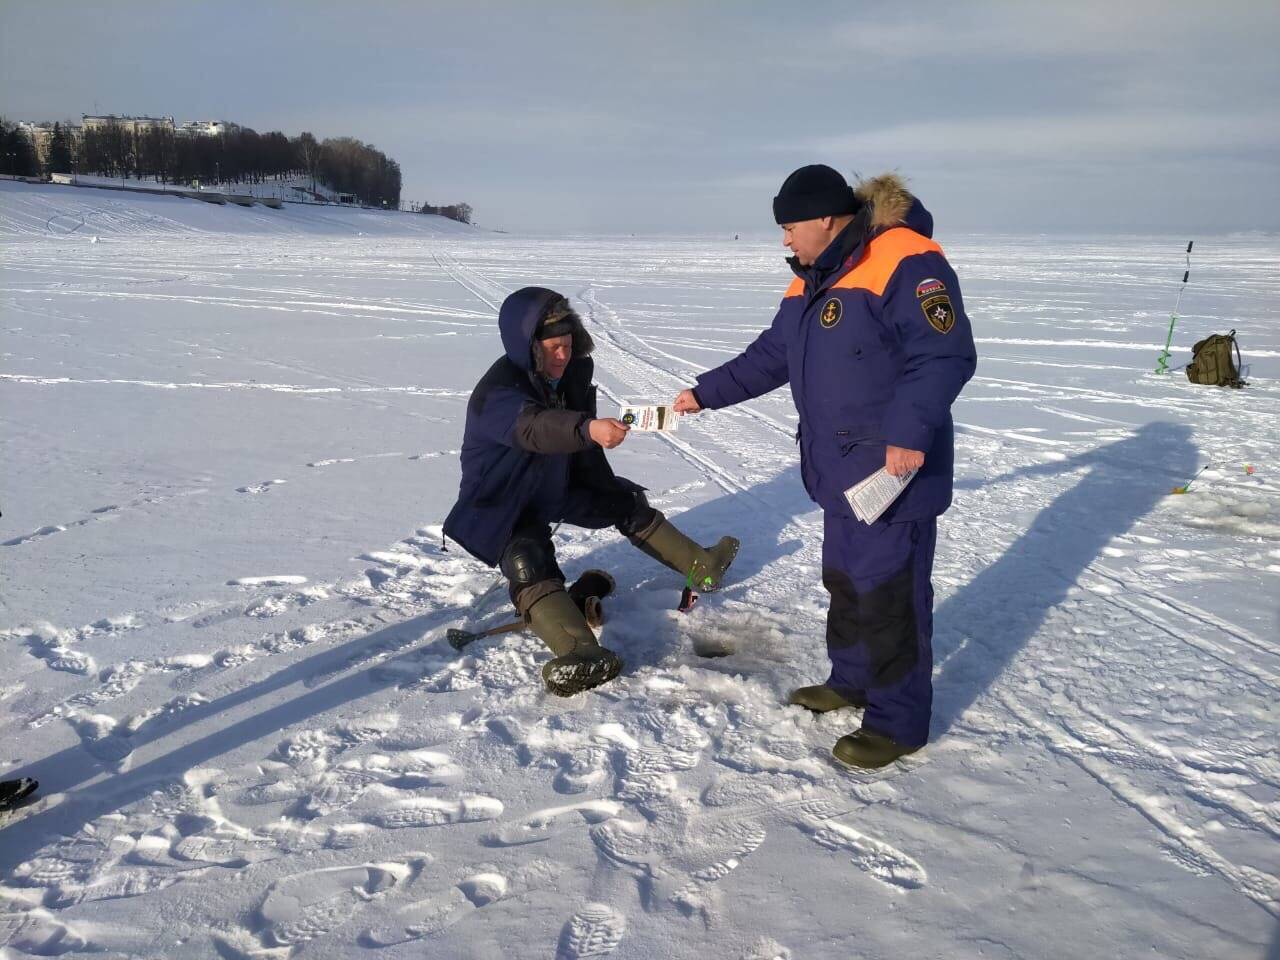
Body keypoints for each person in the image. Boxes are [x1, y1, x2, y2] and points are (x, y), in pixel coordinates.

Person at [673, 166, 976, 768]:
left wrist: (910, 431)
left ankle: (898, 723)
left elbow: (945, 353)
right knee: (845, 581)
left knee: (891, 597)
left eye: (789, 227)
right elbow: (773, 354)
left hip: (894, 470)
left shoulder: (905, 260)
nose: (784, 240)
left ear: (825, 219)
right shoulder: (813, 278)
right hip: (840, 470)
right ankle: (853, 680)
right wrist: (703, 394)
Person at [444, 287, 739, 696]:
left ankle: (702, 566)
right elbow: (535, 427)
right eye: (553, 348)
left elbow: (565, 435)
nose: (562, 356)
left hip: (553, 484)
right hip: (502, 499)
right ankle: (580, 653)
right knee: (528, 560)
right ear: (527, 346)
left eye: (567, 345)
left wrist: (599, 455)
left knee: (623, 502)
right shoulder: (497, 393)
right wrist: (586, 429)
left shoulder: (567, 376)